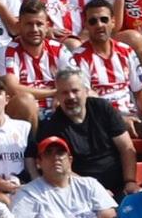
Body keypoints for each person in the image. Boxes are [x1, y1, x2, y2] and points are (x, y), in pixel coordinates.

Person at [27, 67, 136, 198]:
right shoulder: (53, 126)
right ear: (58, 96)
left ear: (86, 91)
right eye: (64, 93)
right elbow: (62, 169)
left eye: (75, 91)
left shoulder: (103, 108)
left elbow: (126, 148)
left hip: (121, 186)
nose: (70, 97)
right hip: (82, 192)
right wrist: (95, 190)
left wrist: (130, 181)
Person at [71, 0, 142, 133]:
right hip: (99, 121)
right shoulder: (78, 57)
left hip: (131, 116)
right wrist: (118, 119)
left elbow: (139, 90)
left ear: (113, 21)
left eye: (104, 20)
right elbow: (88, 101)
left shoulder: (126, 51)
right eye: (93, 21)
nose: (99, 25)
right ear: (86, 25)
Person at [3, 3, 67, 123]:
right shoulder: (8, 51)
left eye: (39, 24)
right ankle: (32, 142)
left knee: (86, 95)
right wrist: (55, 92)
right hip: (27, 113)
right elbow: (12, 89)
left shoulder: (59, 49)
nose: (34, 29)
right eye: (29, 24)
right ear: (19, 26)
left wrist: (62, 95)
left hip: (56, 108)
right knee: (25, 101)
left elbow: (74, 81)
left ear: (47, 26)